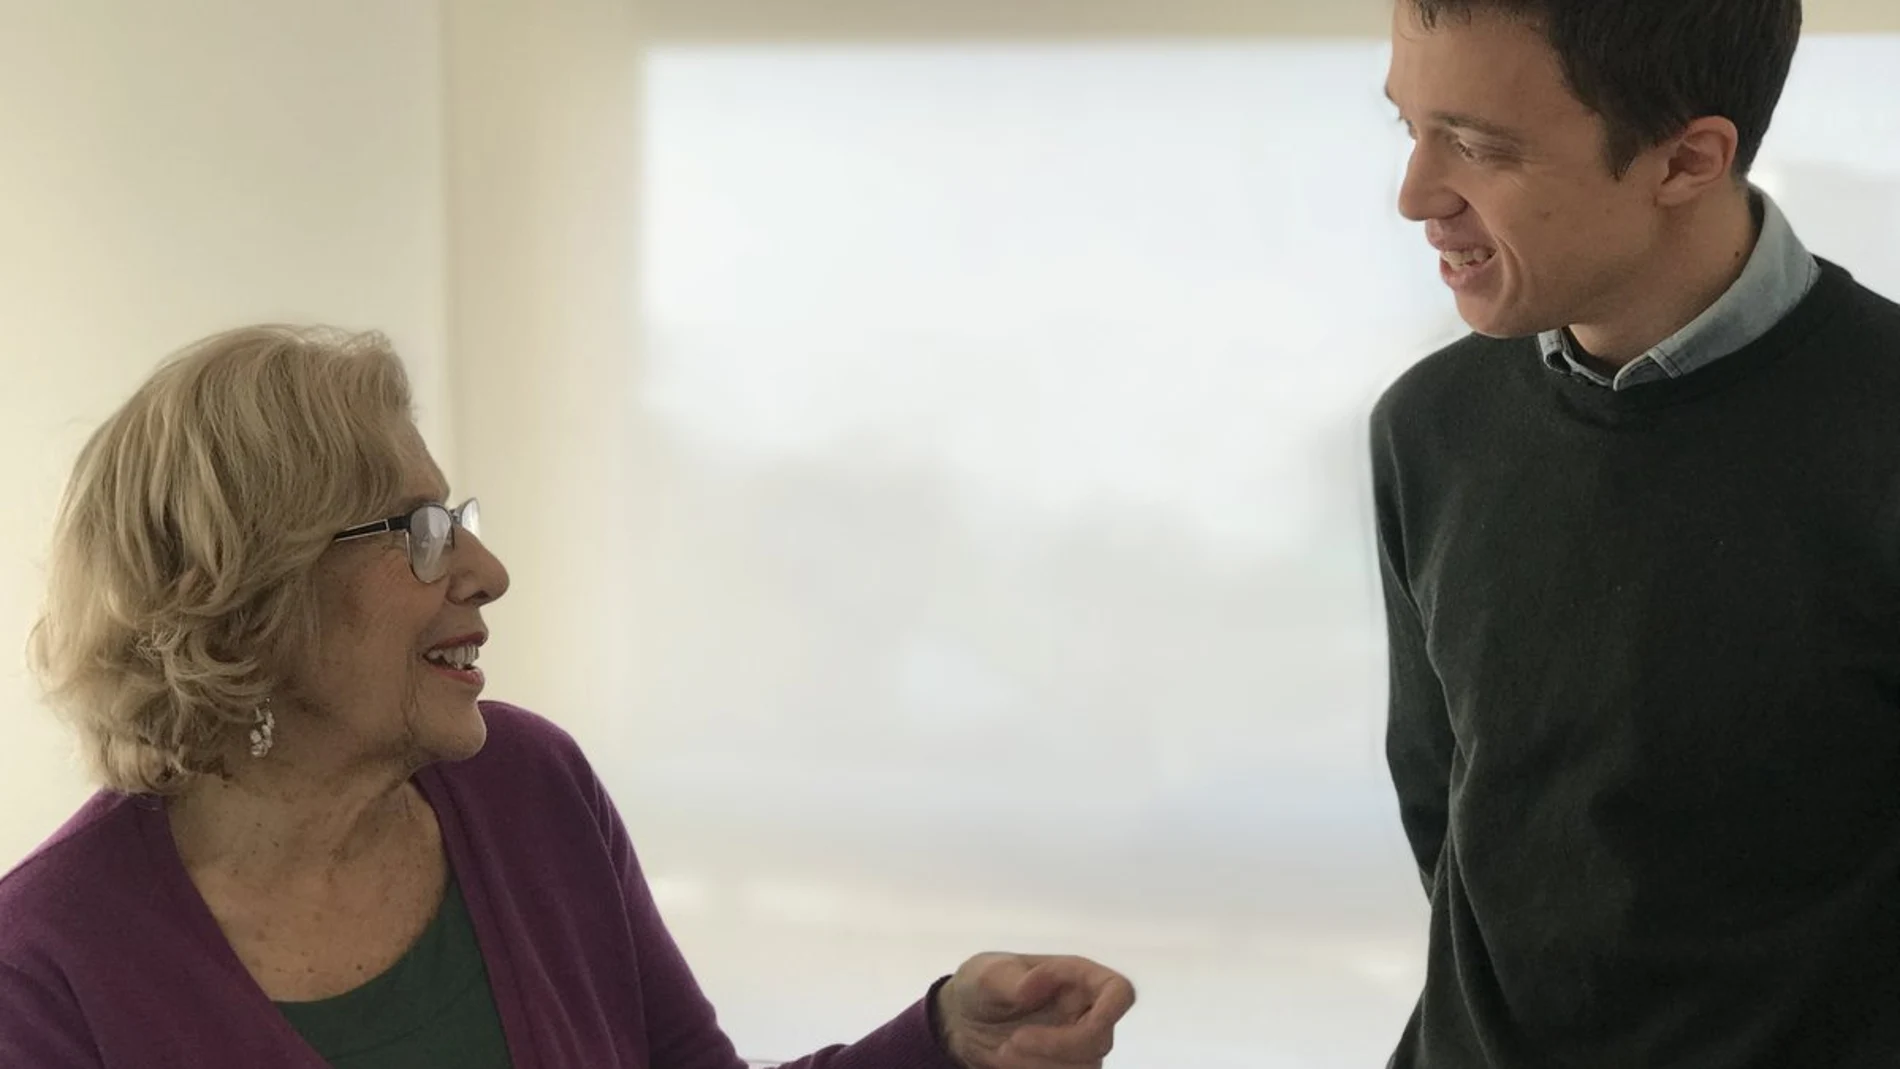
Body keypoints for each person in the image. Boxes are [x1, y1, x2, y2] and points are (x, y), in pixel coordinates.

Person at [0, 325, 1136, 1069]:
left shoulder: (530, 787)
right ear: (249, 591)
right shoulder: (44, 972)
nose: (486, 573)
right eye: (417, 532)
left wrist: (945, 1044)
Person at [1373, 0, 1900, 1065]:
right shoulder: (1428, 426)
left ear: (1686, 159)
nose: (1416, 196)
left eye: (1476, 146)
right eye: (1410, 128)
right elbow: (1450, 818)